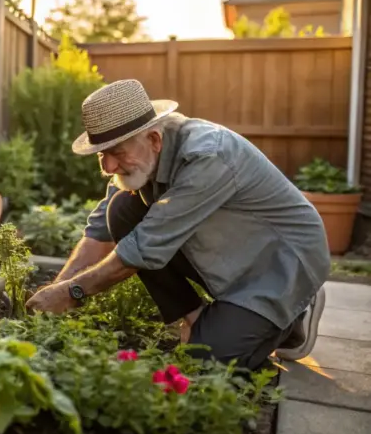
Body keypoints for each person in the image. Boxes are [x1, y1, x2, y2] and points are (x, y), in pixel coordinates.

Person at [25, 79, 331, 370]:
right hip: (235, 250)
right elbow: (100, 233)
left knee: (206, 361)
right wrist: (57, 288)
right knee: (122, 209)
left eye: (116, 153)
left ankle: (294, 305)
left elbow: (143, 247)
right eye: (103, 155)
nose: (108, 167)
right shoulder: (141, 160)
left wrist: (73, 293)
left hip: (282, 261)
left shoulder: (207, 156)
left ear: (154, 139)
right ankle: (200, 317)